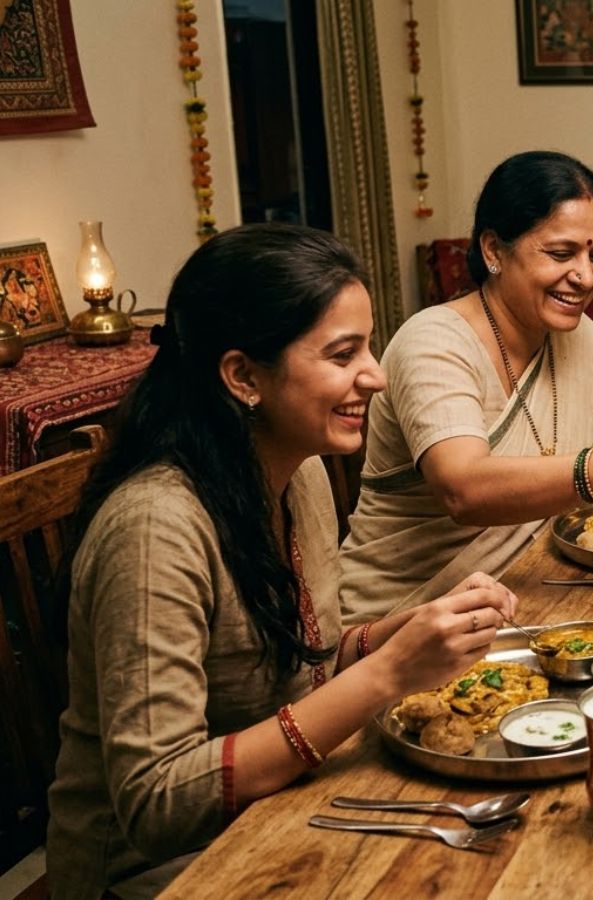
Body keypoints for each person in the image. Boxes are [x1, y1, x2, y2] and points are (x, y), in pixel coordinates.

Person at [46, 224, 518, 900]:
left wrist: (412, 632)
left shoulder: (301, 475)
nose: (376, 376)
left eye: (369, 345)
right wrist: (387, 673)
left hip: (282, 808)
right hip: (160, 872)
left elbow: (307, 661)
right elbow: (157, 804)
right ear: (243, 376)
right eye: (342, 353)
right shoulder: (155, 527)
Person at [340, 151, 593, 620]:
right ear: (493, 251)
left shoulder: (579, 334)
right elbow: (463, 490)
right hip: (407, 619)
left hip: (537, 582)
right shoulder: (433, 342)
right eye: (561, 253)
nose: (587, 276)